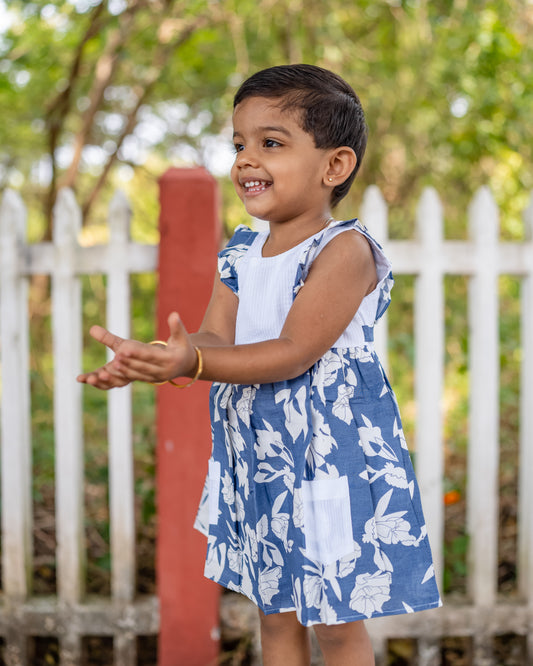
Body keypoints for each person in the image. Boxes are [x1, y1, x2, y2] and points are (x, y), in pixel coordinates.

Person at [78, 64, 441, 665]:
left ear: (335, 166)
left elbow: (293, 351)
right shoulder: (242, 251)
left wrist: (191, 361)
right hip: (263, 462)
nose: (246, 159)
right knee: (275, 615)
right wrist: (164, 358)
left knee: (336, 623)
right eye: (239, 144)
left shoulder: (344, 251)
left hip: (328, 461)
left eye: (271, 143)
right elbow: (216, 339)